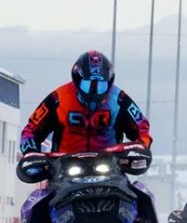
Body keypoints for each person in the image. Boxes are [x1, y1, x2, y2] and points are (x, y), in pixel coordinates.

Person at [17, 49, 152, 183]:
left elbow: (142, 128)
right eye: (88, 85)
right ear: (77, 80)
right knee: (36, 201)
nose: (94, 91)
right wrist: (31, 152)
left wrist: (137, 149)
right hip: (63, 171)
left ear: (109, 83)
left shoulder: (119, 100)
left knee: (141, 194)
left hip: (111, 170)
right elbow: (31, 130)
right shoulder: (59, 98)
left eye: (100, 86)